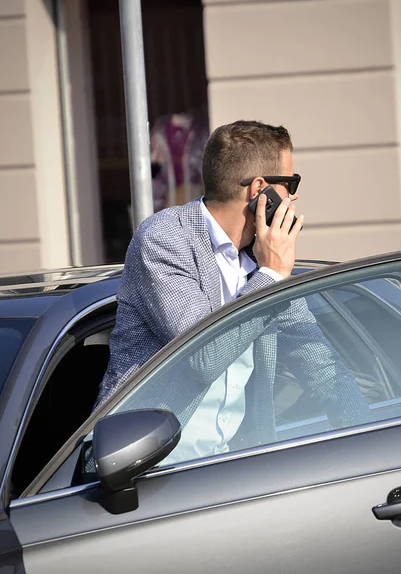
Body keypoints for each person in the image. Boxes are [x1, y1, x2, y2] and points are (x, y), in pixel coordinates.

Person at [95, 120, 369, 459]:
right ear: (260, 191)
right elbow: (203, 357)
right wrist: (270, 274)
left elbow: (319, 364)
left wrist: (373, 438)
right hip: (140, 467)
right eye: (291, 184)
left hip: (226, 467)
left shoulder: (261, 256)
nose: (294, 198)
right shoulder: (165, 239)